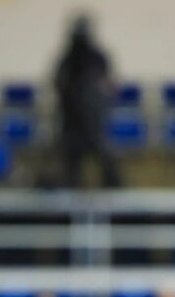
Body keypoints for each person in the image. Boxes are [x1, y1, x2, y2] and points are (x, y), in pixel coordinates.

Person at [53, 14, 121, 188]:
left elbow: (108, 86)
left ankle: (113, 192)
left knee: (106, 161)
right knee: (72, 165)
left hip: (93, 121)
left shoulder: (97, 57)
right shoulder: (68, 58)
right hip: (72, 121)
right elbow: (58, 84)